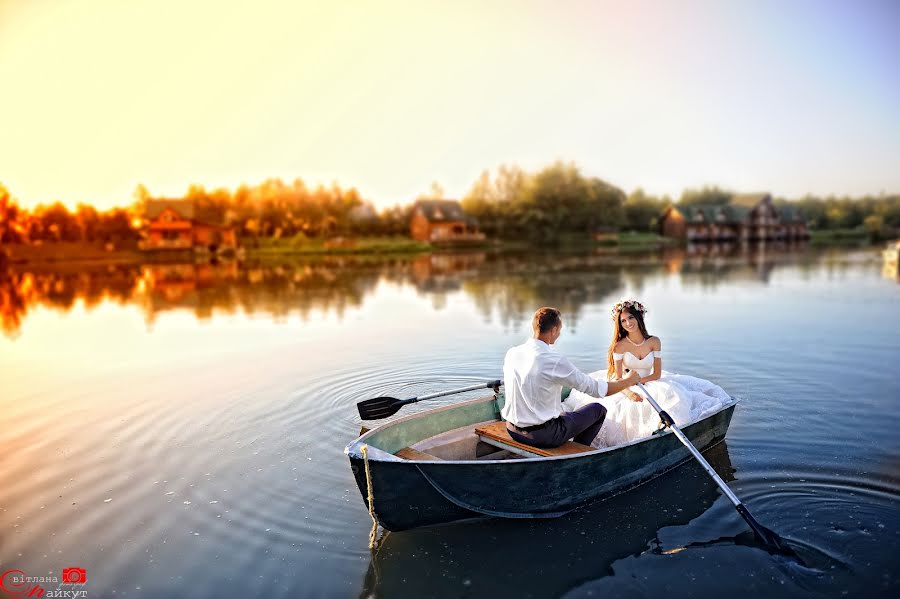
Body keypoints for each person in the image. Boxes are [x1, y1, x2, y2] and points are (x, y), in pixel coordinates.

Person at [563, 299, 731, 448]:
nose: (628, 323)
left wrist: (641, 381)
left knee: (673, 398)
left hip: (650, 381)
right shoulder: (619, 346)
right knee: (626, 409)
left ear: (639, 317)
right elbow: (618, 377)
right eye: (623, 321)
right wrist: (628, 392)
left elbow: (656, 373)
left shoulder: (654, 342)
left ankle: (667, 438)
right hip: (626, 384)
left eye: (631, 318)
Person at [502, 307, 641, 449]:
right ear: (554, 330)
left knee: (565, 414)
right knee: (598, 410)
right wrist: (629, 381)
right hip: (542, 436)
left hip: (512, 429)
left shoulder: (513, 352)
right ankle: (577, 451)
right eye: (560, 330)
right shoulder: (554, 360)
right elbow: (597, 390)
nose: (559, 334)